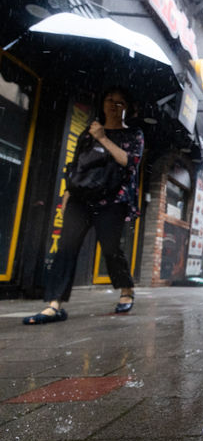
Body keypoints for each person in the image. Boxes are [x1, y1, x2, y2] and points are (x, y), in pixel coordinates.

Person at [23, 86, 144, 324]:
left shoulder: (134, 134)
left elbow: (130, 163)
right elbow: (77, 163)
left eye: (120, 102)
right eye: (109, 99)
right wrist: (68, 191)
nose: (113, 105)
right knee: (66, 248)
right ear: (102, 103)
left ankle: (126, 288)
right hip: (81, 198)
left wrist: (103, 139)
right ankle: (54, 304)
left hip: (113, 200)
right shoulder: (88, 132)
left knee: (111, 249)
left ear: (127, 108)